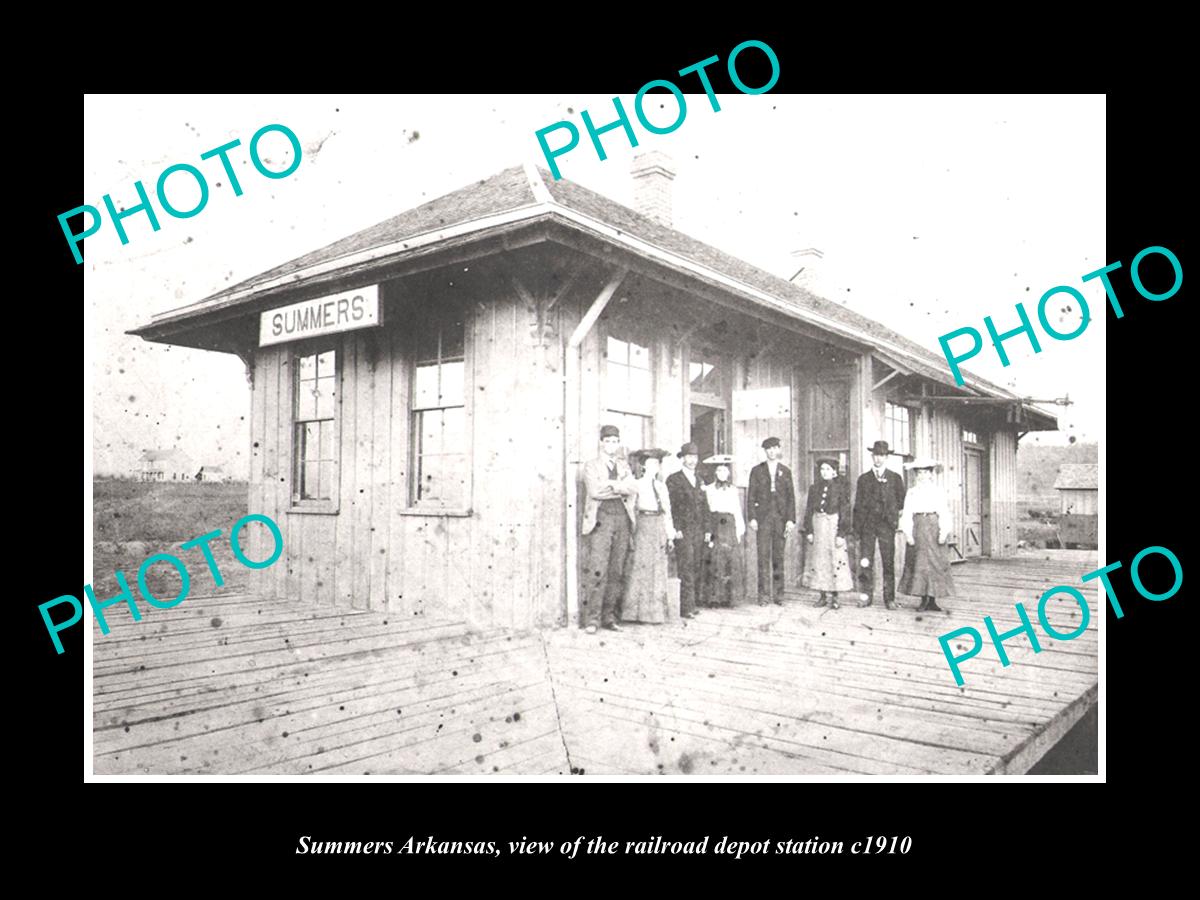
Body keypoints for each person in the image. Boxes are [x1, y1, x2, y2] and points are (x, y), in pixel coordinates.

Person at [580, 424, 638, 634]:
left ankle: (609, 617)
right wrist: (619, 487)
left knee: (616, 570)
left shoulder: (624, 466)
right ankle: (592, 620)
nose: (612, 445)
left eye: (615, 441)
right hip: (601, 520)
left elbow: (633, 488)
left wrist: (612, 485)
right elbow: (595, 491)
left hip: (622, 519)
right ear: (601, 443)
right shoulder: (591, 466)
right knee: (598, 569)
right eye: (608, 441)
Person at [621, 449, 679, 624]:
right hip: (644, 525)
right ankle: (635, 614)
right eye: (651, 463)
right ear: (644, 466)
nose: (655, 467)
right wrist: (633, 530)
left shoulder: (661, 486)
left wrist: (670, 535)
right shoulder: (636, 484)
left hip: (659, 525)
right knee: (641, 567)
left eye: (658, 464)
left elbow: (667, 511)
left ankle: (656, 614)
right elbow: (630, 509)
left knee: (658, 569)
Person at [853, 440, 907, 610]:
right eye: (876, 455)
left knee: (888, 562)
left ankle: (889, 599)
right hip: (868, 526)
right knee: (865, 562)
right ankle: (865, 597)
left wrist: (891, 518)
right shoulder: (864, 479)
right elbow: (858, 505)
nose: (878, 459)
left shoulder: (895, 478)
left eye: (882, 455)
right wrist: (857, 529)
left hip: (886, 526)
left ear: (887, 457)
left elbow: (901, 502)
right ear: (872, 456)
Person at [898, 458, 956, 612]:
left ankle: (933, 599)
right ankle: (923, 598)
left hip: (934, 526)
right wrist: (908, 534)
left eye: (925, 473)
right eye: (919, 473)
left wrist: (944, 532)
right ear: (916, 475)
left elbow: (944, 511)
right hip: (919, 527)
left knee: (935, 563)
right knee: (920, 563)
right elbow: (907, 513)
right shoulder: (912, 492)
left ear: (931, 474)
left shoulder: (938, 491)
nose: (922, 476)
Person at [747, 436, 796, 605]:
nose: (772, 452)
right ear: (765, 451)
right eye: (769, 449)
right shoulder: (757, 470)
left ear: (779, 450)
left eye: (775, 448)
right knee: (763, 556)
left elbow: (791, 498)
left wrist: (790, 520)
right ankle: (764, 595)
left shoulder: (786, 471)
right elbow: (751, 495)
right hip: (763, 519)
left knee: (778, 557)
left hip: (780, 519)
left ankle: (779, 595)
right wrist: (752, 517)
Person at [801, 458, 854, 609]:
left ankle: (835, 597)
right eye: (822, 469)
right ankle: (822, 596)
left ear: (834, 472)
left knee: (835, 559)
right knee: (820, 560)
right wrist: (809, 531)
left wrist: (841, 534)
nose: (824, 472)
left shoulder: (841, 488)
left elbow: (845, 511)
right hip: (818, 525)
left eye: (828, 469)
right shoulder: (814, 488)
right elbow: (809, 510)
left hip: (833, 526)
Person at [665, 442, 709, 620]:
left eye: (695, 457)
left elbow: (705, 506)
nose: (692, 460)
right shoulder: (674, 479)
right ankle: (685, 607)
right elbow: (671, 507)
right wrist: (676, 528)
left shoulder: (700, 479)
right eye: (688, 457)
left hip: (698, 530)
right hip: (683, 531)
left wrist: (707, 529)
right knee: (686, 566)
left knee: (696, 565)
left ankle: (692, 603)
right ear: (682, 459)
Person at [702, 455, 745, 607]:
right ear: (715, 473)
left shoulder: (733, 490)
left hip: (729, 525)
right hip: (716, 525)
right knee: (715, 560)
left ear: (728, 473)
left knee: (731, 561)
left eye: (724, 470)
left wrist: (739, 530)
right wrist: (707, 531)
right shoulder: (708, 489)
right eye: (719, 470)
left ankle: (730, 598)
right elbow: (706, 511)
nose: (721, 473)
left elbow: (737, 510)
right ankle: (715, 598)